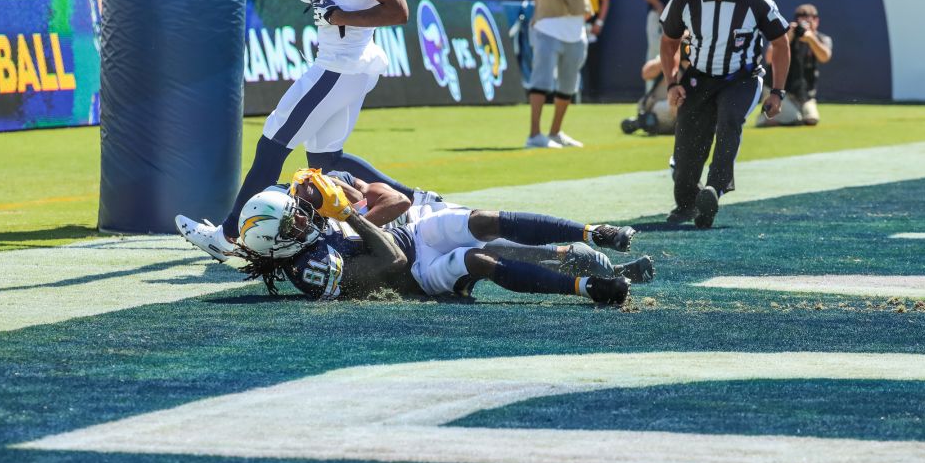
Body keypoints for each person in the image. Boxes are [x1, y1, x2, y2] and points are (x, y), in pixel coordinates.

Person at [180, 0, 422, 263]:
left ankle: (226, 237)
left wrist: (336, 14)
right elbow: (357, 0)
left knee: (272, 143)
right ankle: (409, 199)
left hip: (338, 65)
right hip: (349, 64)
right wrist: (329, 1)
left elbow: (396, 11)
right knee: (326, 161)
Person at [205, 170, 645, 305]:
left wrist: (345, 206)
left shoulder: (303, 228)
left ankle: (593, 231)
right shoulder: (311, 269)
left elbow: (387, 210)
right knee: (479, 260)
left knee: (483, 220)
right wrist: (346, 214)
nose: (303, 219)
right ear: (278, 243)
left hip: (412, 230)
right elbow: (393, 261)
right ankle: (589, 288)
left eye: (298, 213)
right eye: (294, 223)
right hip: (415, 274)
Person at [659, 0, 791, 229]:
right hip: (699, 76)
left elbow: (780, 43)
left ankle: (714, 191)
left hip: (740, 77)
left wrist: (778, 91)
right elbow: (668, 42)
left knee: (729, 120)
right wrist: (671, 83)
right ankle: (686, 202)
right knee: (687, 144)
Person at [525, 0, 599, 149]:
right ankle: (535, 134)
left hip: (575, 25)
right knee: (542, 80)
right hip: (548, 21)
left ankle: (555, 131)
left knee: (568, 83)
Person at [757, 3, 832, 126]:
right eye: (802, 22)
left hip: (804, 94)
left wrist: (811, 39)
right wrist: (788, 36)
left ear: (816, 21)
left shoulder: (821, 38)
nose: (805, 26)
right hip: (778, 90)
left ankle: (788, 112)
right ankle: (764, 118)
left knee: (811, 119)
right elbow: (769, 58)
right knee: (794, 119)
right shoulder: (785, 37)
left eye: (809, 22)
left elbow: (825, 57)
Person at [621, 35, 691, 136]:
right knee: (676, 100)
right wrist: (670, 57)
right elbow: (646, 74)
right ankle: (645, 122)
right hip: (658, 106)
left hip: (685, 111)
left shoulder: (701, 62)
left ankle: (643, 123)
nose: (686, 48)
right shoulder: (669, 57)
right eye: (684, 44)